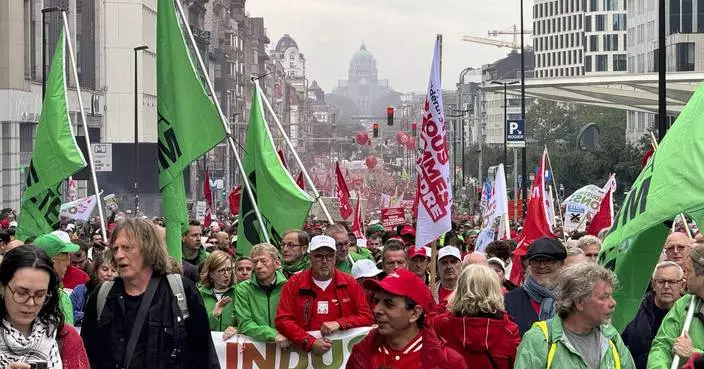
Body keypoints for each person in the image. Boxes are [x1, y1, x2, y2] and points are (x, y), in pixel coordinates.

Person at [81, 217, 219, 369]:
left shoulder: (182, 291)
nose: (119, 255)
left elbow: (204, 357)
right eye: (115, 249)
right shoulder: (102, 295)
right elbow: (86, 357)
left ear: (148, 249)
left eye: (127, 247)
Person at [514, 263, 635, 369]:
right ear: (579, 302)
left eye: (611, 296)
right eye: (604, 297)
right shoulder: (540, 339)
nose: (613, 303)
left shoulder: (611, 336)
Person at [346, 268, 467, 369]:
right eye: (376, 301)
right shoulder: (361, 353)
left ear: (415, 313)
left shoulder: (448, 363)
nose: (377, 310)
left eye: (389, 304)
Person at [275, 235, 374, 354]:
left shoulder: (350, 282)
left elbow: (367, 317)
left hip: (341, 357)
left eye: (329, 256)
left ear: (335, 257)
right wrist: (309, 341)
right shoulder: (294, 283)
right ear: (310, 257)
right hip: (303, 356)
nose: (324, 261)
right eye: (318, 256)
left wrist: (340, 323)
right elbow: (282, 319)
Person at [0, 245, 90, 369]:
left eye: (40, 294)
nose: (31, 303)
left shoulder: (67, 338)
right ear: (2, 288)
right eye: (21, 293)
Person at [432, 264, 520, 369]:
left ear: (459, 290)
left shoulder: (443, 325)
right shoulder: (509, 331)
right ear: (495, 291)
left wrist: (446, 302)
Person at [648, 243, 704, 368]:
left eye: (688, 271)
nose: (684, 277)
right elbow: (662, 345)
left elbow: (690, 352)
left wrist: (694, 354)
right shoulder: (684, 304)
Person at [622, 261, 684, 369]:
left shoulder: (691, 312)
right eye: (661, 281)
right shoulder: (633, 312)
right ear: (653, 285)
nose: (666, 286)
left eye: (672, 282)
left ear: (682, 285)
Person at [505, 237, 566, 336]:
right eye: (536, 261)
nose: (542, 266)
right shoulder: (509, 301)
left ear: (562, 263)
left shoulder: (573, 298)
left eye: (548, 261)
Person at [234, 243, 288, 346]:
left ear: (276, 263)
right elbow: (245, 323)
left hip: (286, 347)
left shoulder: (288, 286)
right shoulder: (243, 289)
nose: (258, 266)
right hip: (256, 349)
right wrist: (273, 334)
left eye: (263, 261)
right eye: (255, 262)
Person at [33, 232, 79, 325]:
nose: (68, 263)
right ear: (51, 261)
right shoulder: (60, 298)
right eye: (65, 258)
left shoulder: (62, 297)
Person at [70, 249, 117, 326]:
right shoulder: (80, 290)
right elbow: (69, 315)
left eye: (114, 271)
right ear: (96, 271)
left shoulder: (123, 293)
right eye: (104, 269)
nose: (109, 274)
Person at [198, 250, 238, 339]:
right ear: (211, 273)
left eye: (229, 269)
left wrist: (237, 330)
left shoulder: (239, 292)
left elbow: (247, 323)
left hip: (232, 349)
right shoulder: (199, 294)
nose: (227, 274)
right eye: (221, 271)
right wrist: (214, 315)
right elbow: (197, 327)